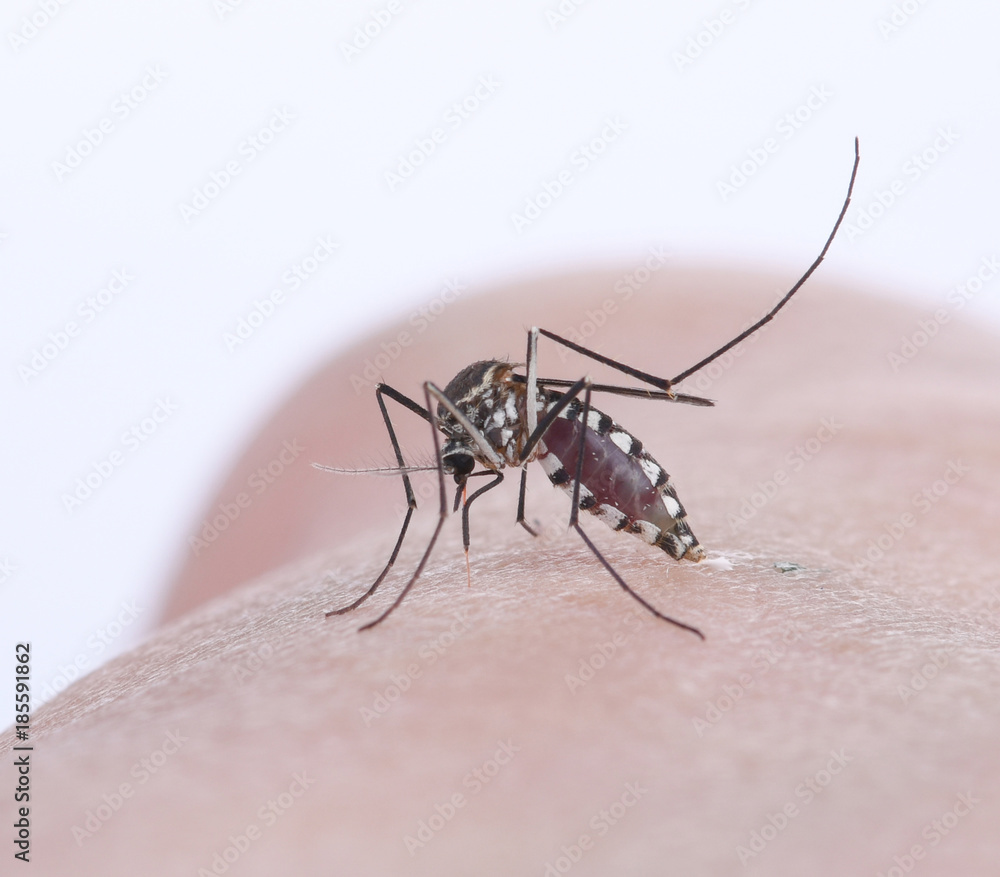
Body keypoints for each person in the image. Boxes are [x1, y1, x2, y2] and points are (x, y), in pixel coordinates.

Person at [7, 265, 996, 875]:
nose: (450, 486)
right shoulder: (455, 431)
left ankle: (661, 424)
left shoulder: (497, 423)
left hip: (563, 425)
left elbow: (509, 412)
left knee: (528, 392)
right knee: (467, 397)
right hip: (531, 427)